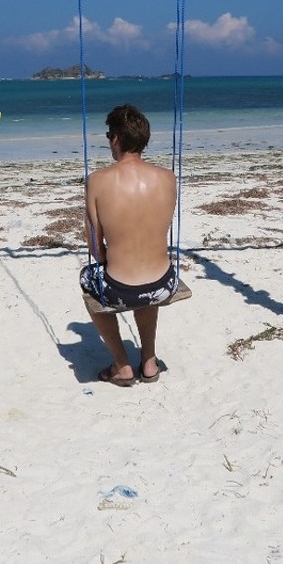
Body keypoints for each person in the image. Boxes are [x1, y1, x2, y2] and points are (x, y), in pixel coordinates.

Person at [80, 104, 179, 386]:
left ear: (116, 139)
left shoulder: (97, 181)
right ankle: (149, 361)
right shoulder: (168, 178)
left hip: (120, 288)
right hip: (164, 282)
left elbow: (95, 251)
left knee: (87, 278)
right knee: (147, 283)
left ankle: (122, 365)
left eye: (109, 134)